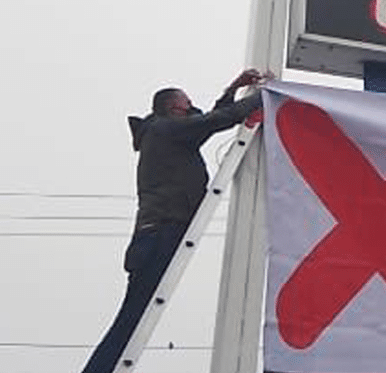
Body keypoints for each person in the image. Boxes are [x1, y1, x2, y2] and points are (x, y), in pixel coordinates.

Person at [81, 68, 269, 373]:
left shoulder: (167, 132)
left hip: (156, 235)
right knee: (131, 321)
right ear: (173, 108)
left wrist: (233, 88)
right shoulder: (164, 130)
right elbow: (215, 121)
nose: (192, 109)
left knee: (132, 319)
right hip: (159, 235)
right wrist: (266, 94)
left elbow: (208, 121)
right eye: (188, 105)